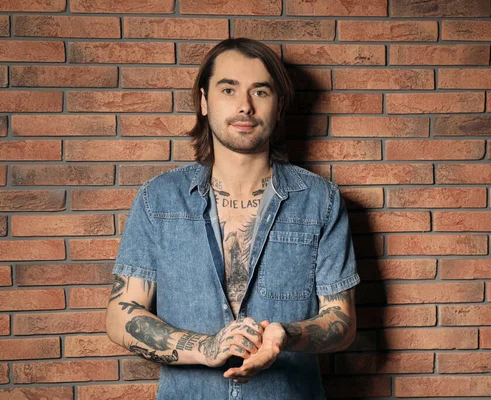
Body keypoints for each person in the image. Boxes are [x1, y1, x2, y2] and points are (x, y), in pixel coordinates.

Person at [105, 38, 360, 400]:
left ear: (279, 105)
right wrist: (205, 348)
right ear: (205, 102)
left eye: (261, 91)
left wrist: (286, 335)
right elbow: (121, 315)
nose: (245, 106)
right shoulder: (157, 199)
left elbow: (342, 322)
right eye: (228, 89)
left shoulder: (322, 201)